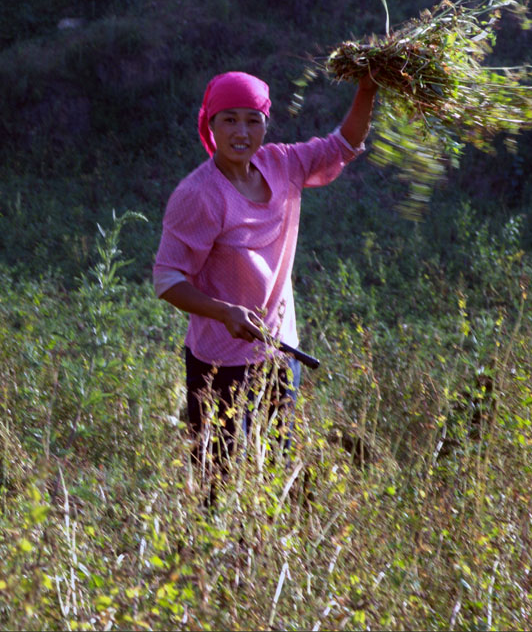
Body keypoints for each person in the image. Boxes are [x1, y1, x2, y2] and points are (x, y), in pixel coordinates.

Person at [153, 70, 377, 493]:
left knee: (276, 469)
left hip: (278, 351)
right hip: (220, 363)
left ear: (265, 124)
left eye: (253, 120)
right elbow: (167, 279)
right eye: (230, 120)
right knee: (217, 480)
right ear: (210, 125)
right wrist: (224, 312)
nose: (242, 132)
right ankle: (215, 556)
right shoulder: (199, 195)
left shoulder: (282, 165)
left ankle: (268, 555)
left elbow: (343, 144)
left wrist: (367, 88)